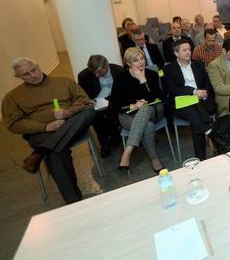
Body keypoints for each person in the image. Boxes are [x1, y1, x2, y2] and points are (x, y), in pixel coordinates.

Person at [2, 58, 96, 204]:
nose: (33, 75)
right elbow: (13, 124)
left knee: (89, 111)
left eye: (33, 69)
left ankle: (41, 152)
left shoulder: (64, 81)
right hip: (40, 133)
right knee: (57, 152)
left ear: (38, 66)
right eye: (26, 74)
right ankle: (74, 201)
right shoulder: (12, 97)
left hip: (70, 124)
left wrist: (68, 112)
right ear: (18, 77)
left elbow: (84, 101)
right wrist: (44, 127)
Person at [110, 47, 165, 173]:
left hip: (152, 110)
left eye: (142, 58)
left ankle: (127, 151)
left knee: (145, 107)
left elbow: (156, 97)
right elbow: (116, 104)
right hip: (128, 114)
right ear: (128, 63)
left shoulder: (152, 74)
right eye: (136, 61)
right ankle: (154, 158)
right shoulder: (121, 78)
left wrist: (143, 81)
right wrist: (134, 106)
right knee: (148, 126)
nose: (141, 62)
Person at [163, 40, 216, 160]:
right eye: (184, 50)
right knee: (193, 112)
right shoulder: (169, 69)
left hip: (201, 101)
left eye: (189, 49)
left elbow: (207, 83)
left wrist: (204, 93)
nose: (188, 52)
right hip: (181, 103)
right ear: (176, 53)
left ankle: (201, 157)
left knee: (195, 116)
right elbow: (172, 90)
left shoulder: (198, 64)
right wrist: (193, 92)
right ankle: (210, 133)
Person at [77, 54, 124, 157]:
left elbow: (125, 89)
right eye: (94, 73)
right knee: (95, 116)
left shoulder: (118, 70)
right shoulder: (83, 76)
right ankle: (105, 143)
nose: (96, 75)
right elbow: (82, 95)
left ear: (106, 66)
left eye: (99, 72)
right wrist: (89, 101)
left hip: (115, 99)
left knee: (114, 112)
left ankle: (116, 135)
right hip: (97, 101)